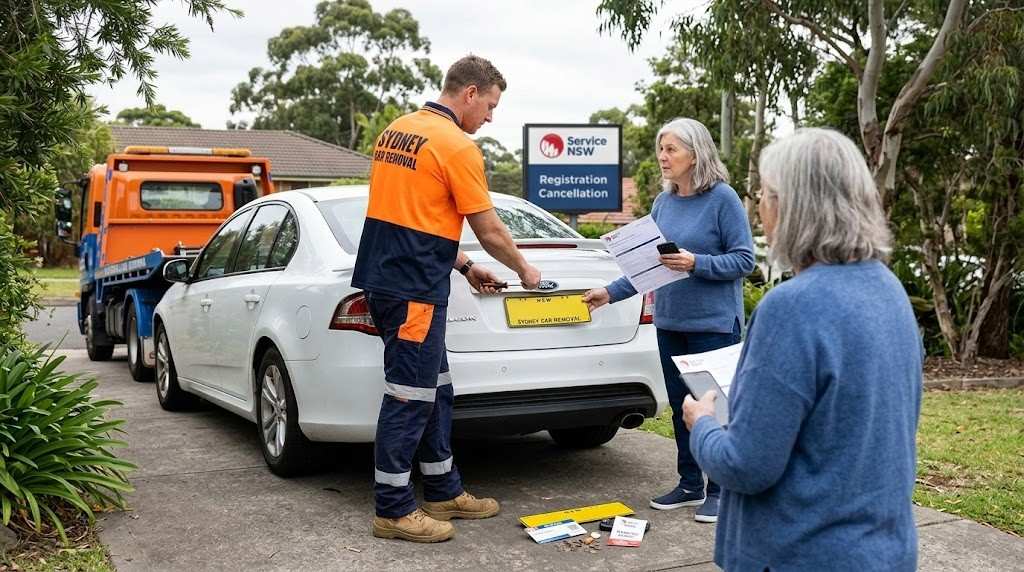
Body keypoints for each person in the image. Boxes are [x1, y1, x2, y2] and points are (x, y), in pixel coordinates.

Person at [682, 128, 923, 571]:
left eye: (765, 195)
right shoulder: (890, 290)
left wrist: (702, 425)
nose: (760, 208)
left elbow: (746, 466)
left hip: (802, 552)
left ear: (790, 206)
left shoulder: (792, 307)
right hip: (884, 550)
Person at [352, 55, 541, 543]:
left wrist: (463, 265)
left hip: (391, 278)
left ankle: (442, 489)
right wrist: (523, 269)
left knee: (435, 389)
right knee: (409, 396)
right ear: (470, 93)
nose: (491, 118)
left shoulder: (397, 130)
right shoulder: (456, 146)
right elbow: (490, 228)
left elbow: (414, 216)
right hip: (413, 290)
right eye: (491, 106)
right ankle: (393, 509)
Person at [584, 117, 754, 523]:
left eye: (671, 149)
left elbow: (745, 259)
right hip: (670, 322)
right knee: (681, 406)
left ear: (695, 155)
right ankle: (690, 483)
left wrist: (697, 263)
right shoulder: (664, 203)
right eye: (661, 149)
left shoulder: (723, 199)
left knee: (717, 409)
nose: (662, 156)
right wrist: (609, 292)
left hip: (713, 325)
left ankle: (722, 488)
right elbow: (647, 268)